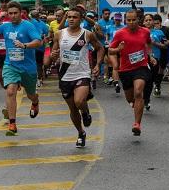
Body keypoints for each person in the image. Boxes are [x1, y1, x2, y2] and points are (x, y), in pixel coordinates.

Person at [0, 1, 42, 136]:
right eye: (10, 13)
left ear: (21, 13)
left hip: (28, 67)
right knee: (10, 91)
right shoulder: (5, 26)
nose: (13, 16)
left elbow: (38, 41)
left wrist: (25, 45)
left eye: (15, 13)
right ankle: (12, 123)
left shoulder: (28, 26)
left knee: (30, 94)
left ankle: (35, 101)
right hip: (11, 65)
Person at [51, 8, 104, 147]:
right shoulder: (59, 34)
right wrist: (53, 56)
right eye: (69, 17)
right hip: (65, 75)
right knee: (73, 109)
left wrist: (98, 64)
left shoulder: (87, 34)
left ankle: (86, 112)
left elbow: (100, 48)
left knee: (79, 101)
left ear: (81, 19)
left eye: (75, 17)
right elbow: (53, 52)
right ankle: (81, 133)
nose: (71, 19)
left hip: (82, 74)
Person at [109, 10, 155, 136]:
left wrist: (150, 56)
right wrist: (118, 49)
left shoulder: (145, 32)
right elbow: (110, 50)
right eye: (128, 20)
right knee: (130, 98)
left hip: (141, 67)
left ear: (138, 20)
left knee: (139, 92)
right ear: (125, 20)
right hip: (126, 70)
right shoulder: (120, 34)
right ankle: (136, 106)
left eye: (133, 20)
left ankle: (137, 124)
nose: (131, 22)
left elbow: (149, 43)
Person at [143, 14, 165, 110]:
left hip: (155, 59)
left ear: (153, 21)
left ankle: (146, 99)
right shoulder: (140, 32)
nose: (148, 21)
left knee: (150, 81)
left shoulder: (159, 32)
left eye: (150, 20)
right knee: (143, 79)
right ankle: (142, 97)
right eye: (146, 20)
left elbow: (164, 46)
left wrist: (154, 42)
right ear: (143, 22)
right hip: (142, 59)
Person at [30, 10, 49, 87]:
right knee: (39, 63)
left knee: (32, 63)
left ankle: (35, 78)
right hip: (40, 47)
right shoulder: (43, 24)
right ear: (38, 16)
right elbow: (46, 34)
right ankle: (39, 78)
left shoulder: (29, 22)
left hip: (30, 46)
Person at [107, 13, 125, 93]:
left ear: (120, 19)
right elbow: (107, 35)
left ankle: (120, 80)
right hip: (113, 48)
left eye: (118, 19)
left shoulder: (124, 28)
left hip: (122, 49)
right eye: (116, 19)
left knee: (121, 66)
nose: (117, 20)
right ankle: (116, 83)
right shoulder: (110, 27)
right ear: (114, 19)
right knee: (115, 66)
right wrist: (107, 41)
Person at [98, 8, 115, 84]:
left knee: (110, 61)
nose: (107, 15)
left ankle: (111, 76)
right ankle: (105, 77)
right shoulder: (99, 23)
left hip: (111, 45)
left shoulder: (112, 22)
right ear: (102, 14)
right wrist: (104, 36)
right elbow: (98, 33)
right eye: (106, 14)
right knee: (105, 61)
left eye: (108, 14)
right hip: (102, 45)